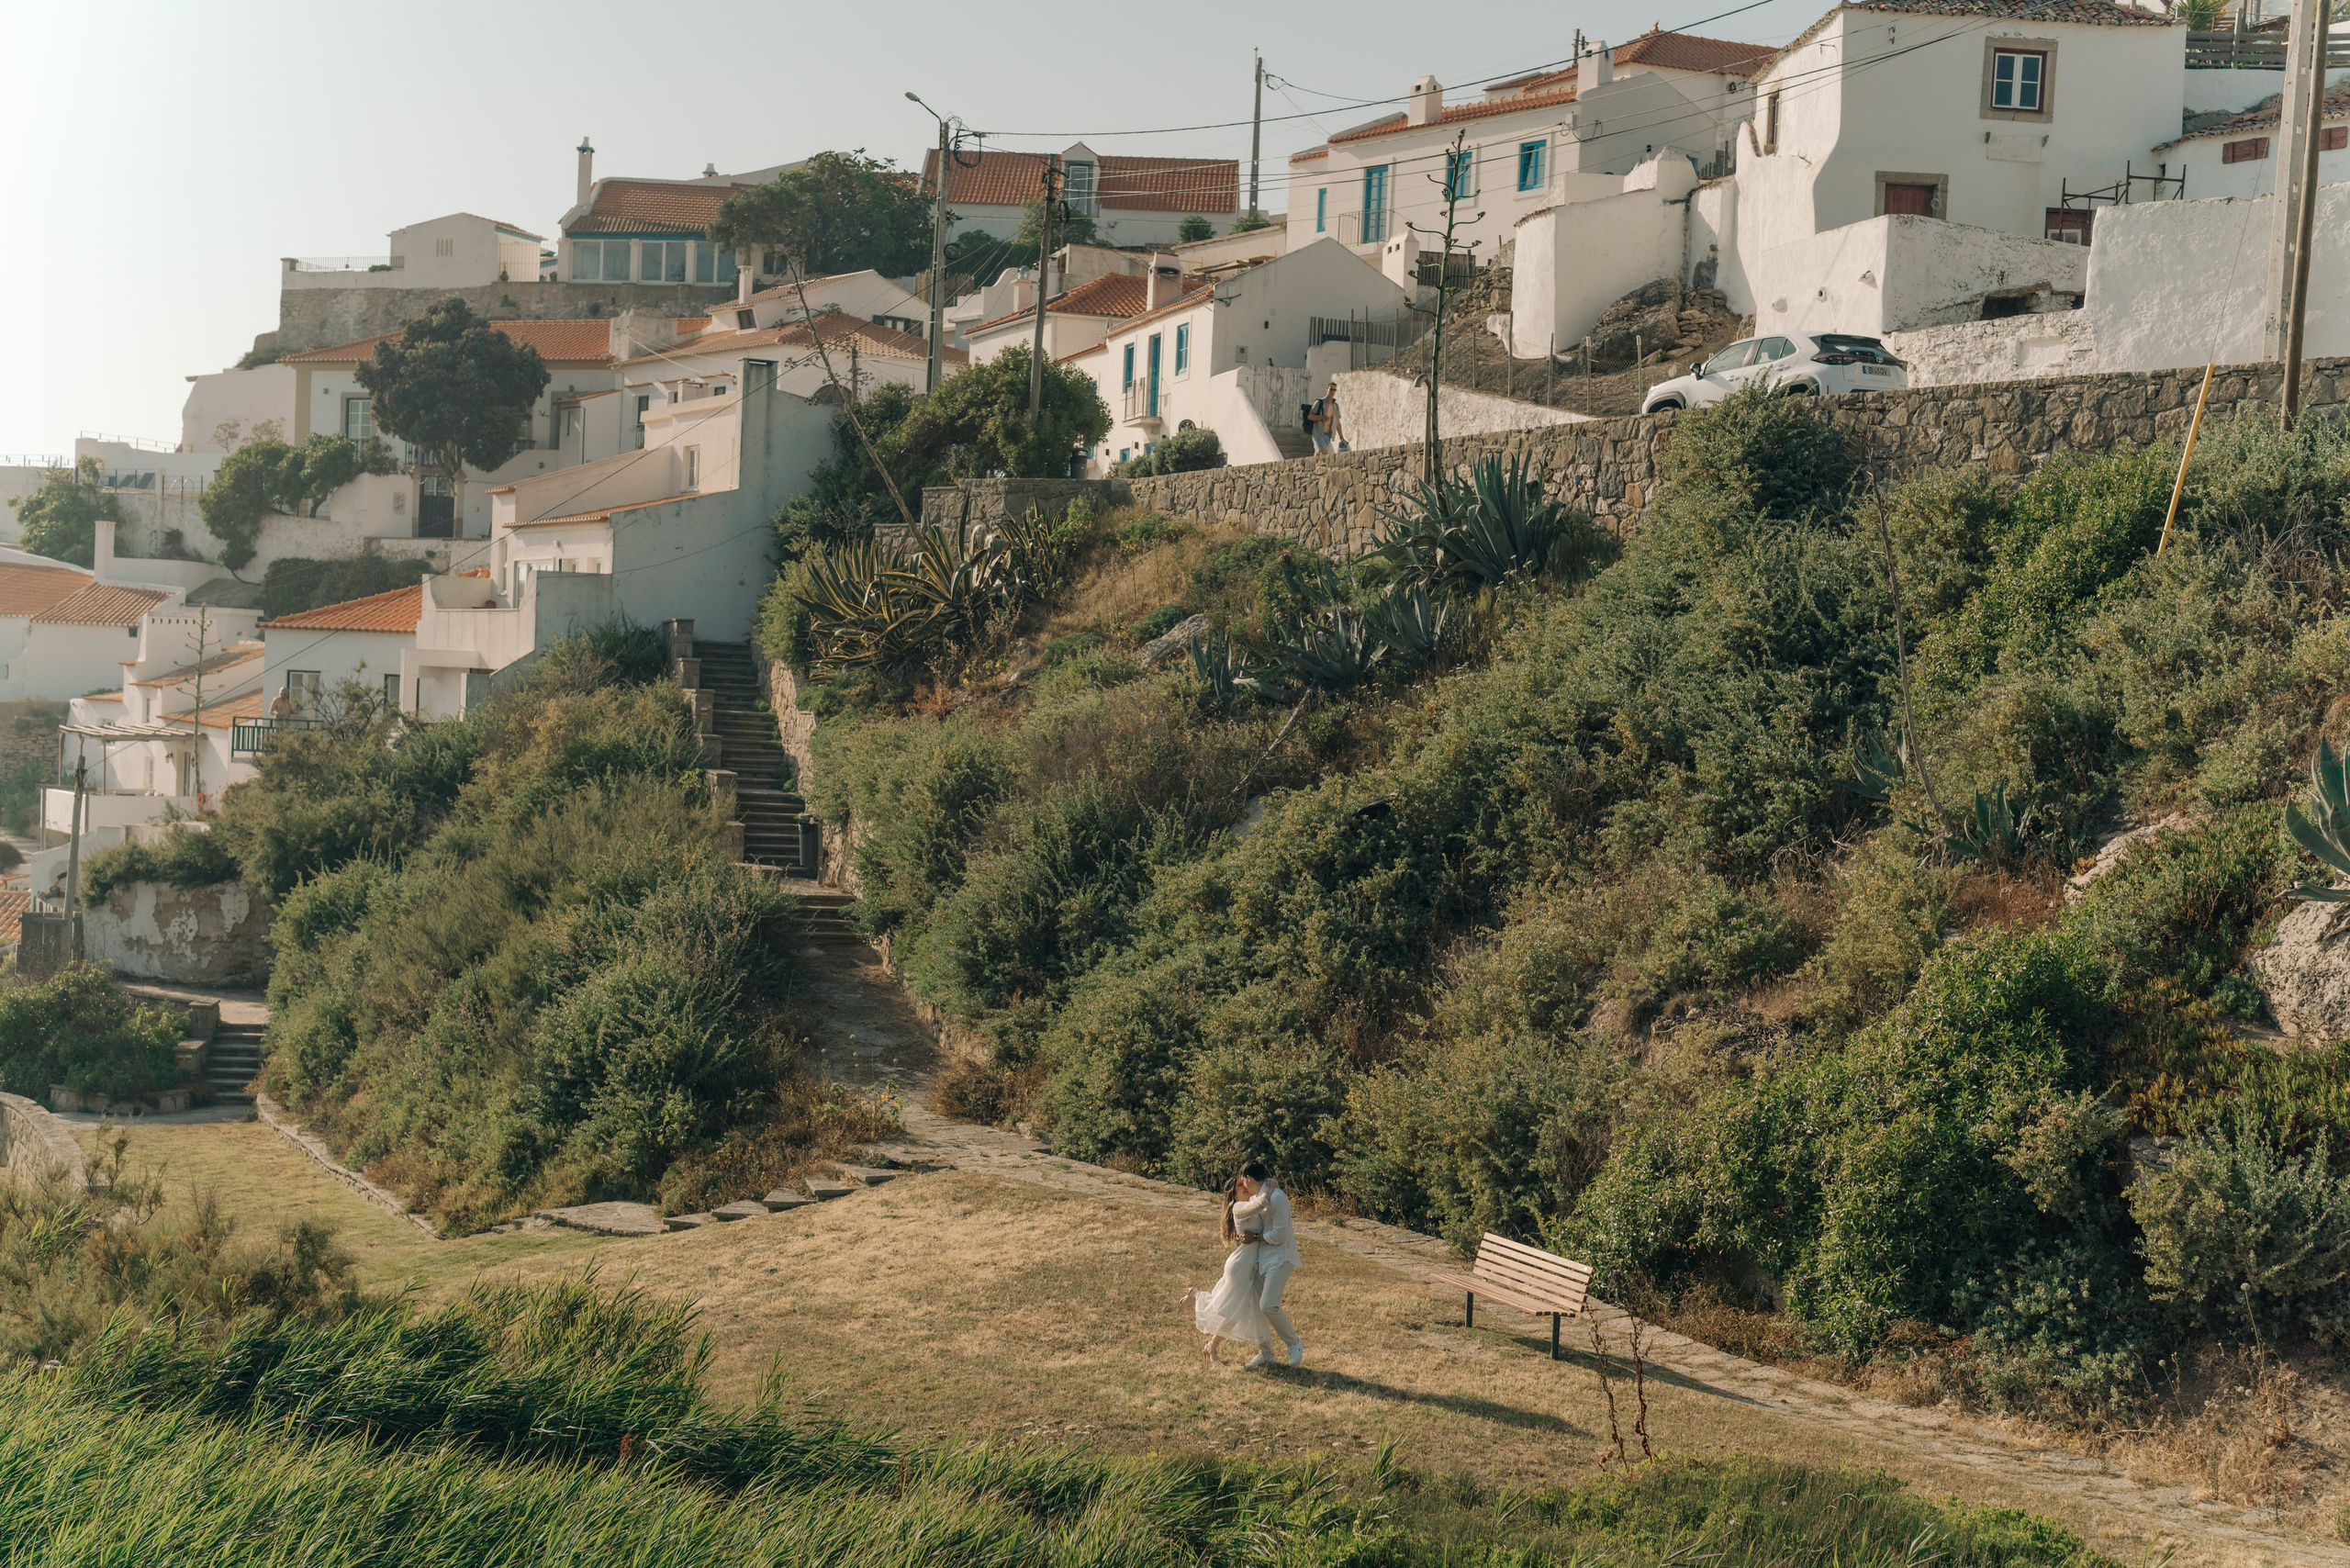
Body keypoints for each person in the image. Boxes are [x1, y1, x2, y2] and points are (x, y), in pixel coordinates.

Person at [1180, 1173, 1270, 1363]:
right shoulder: (1239, 1207)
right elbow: (1261, 1204)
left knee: (1232, 1311)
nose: (1245, 1187)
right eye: (1240, 1185)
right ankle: (1196, 1298)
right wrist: (1269, 1187)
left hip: (1245, 1264)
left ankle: (1211, 1345)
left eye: (1245, 1183)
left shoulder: (1248, 1204)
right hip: (1240, 1266)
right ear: (1234, 1194)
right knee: (1229, 1310)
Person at [1231, 1159, 1304, 1368]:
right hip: (1262, 1258)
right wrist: (1243, 1237)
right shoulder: (1260, 1196)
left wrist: (1256, 1238)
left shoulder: (1278, 1198)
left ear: (1249, 1178)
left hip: (1280, 1257)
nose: (1243, 1187)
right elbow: (1250, 1221)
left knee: (1268, 1305)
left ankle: (1295, 1343)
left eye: (1244, 1182)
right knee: (1256, 1306)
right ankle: (1266, 1354)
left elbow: (1280, 1234)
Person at [1309, 384, 1346, 454]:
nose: (1332, 391)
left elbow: (1337, 423)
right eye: (1331, 389)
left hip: (1328, 435)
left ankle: (1312, 465)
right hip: (1318, 433)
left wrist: (1341, 437)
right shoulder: (1319, 402)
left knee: (1317, 455)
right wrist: (1322, 417)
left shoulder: (1335, 405)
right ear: (1327, 390)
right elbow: (1310, 416)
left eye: (1334, 390)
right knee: (1325, 454)